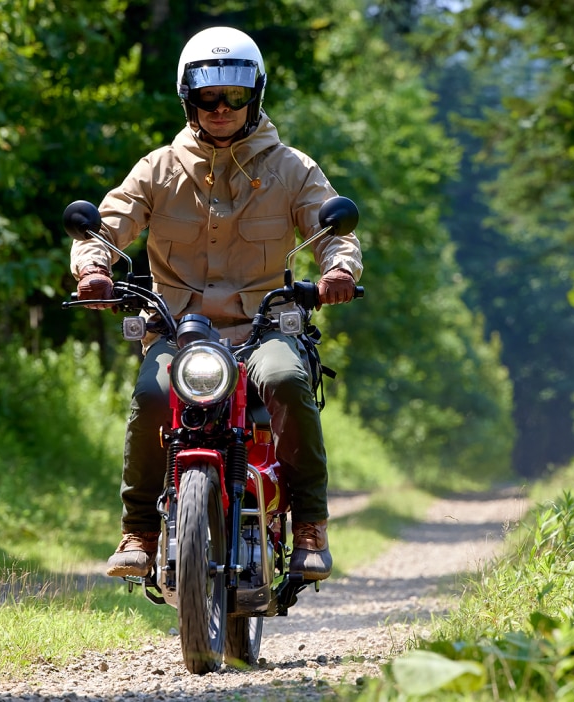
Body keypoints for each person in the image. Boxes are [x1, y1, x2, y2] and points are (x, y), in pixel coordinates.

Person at [69, 26, 362, 582]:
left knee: (285, 381)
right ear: (188, 97)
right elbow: (104, 227)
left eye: (234, 95)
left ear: (256, 96)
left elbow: (332, 228)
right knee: (153, 394)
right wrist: (93, 268)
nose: (221, 107)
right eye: (208, 95)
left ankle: (310, 527)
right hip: (179, 333)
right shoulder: (158, 169)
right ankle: (139, 532)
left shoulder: (292, 168)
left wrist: (339, 268)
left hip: (265, 328)